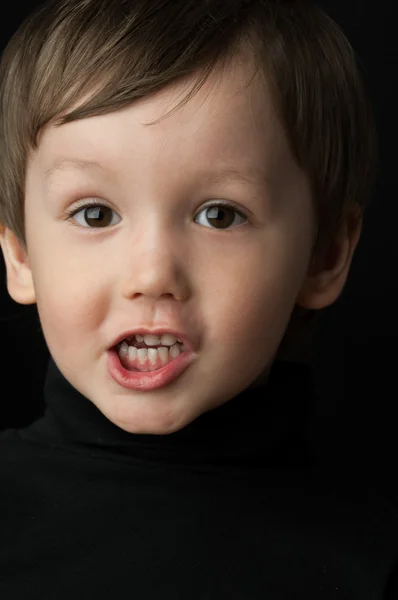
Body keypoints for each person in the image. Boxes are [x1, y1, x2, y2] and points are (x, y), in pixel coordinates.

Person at [1, 0, 397, 598]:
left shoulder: (370, 552)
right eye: (95, 213)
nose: (153, 273)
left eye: (219, 215)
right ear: (21, 256)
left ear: (325, 256)